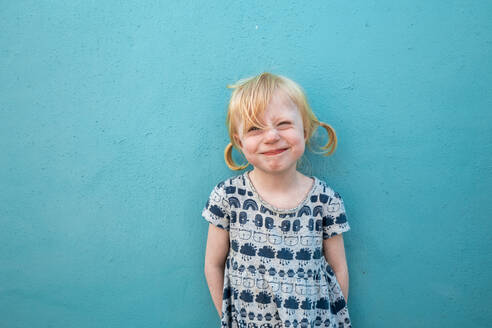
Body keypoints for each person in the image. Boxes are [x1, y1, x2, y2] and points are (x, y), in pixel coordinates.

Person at [203, 72, 352, 328]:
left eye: (283, 123)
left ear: (304, 130)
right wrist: (228, 319)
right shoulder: (227, 197)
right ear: (239, 141)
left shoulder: (326, 200)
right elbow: (213, 265)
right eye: (254, 128)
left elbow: (339, 271)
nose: (271, 136)